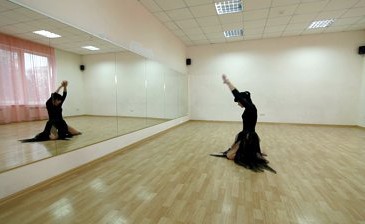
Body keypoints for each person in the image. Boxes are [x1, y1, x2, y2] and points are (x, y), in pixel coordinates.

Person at [211, 74, 268, 170]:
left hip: (248, 137)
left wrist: (228, 83)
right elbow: (239, 97)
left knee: (229, 156)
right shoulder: (250, 107)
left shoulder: (250, 108)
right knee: (232, 149)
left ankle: (248, 155)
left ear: (244, 100)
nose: (238, 104)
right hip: (245, 134)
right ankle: (250, 153)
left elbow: (237, 94)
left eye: (239, 102)